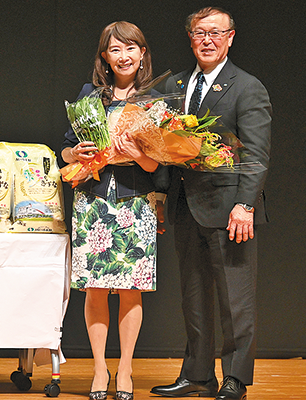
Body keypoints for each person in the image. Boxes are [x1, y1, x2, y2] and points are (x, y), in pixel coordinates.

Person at [150, 7, 272, 400]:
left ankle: (235, 378)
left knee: (235, 300)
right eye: (200, 32)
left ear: (230, 38)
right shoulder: (174, 85)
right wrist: (161, 193)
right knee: (194, 297)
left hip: (230, 210)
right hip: (186, 206)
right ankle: (198, 375)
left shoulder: (247, 86)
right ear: (190, 38)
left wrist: (245, 205)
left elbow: (256, 154)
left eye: (216, 33)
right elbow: (161, 144)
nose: (208, 40)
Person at [61, 21, 162, 400]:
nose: (124, 56)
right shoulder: (90, 96)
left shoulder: (154, 101)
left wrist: (138, 154)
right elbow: (65, 149)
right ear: (104, 57)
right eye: (115, 49)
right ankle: (100, 369)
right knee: (96, 288)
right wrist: (76, 152)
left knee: (131, 289)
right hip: (93, 201)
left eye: (130, 48)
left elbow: (157, 165)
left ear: (142, 54)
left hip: (136, 203)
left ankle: (127, 369)